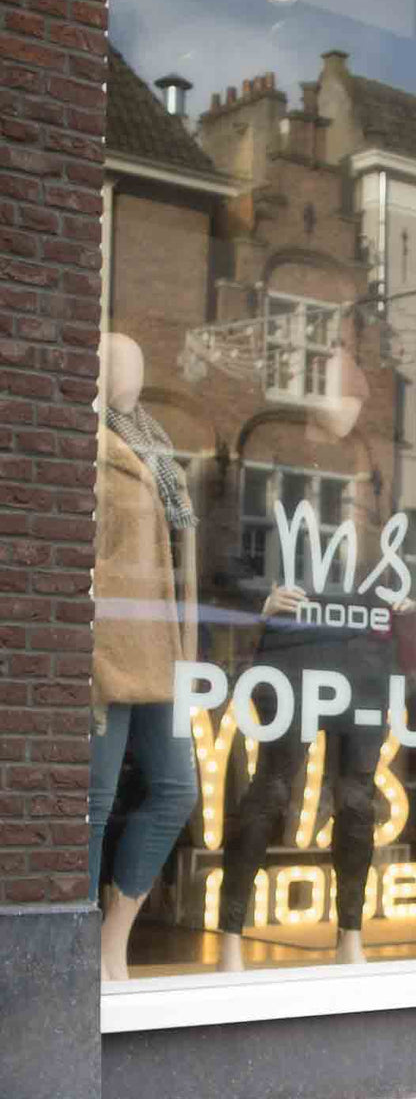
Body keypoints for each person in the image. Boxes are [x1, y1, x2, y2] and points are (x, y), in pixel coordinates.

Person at [91, 333, 200, 980]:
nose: (129, 371)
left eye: (136, 359)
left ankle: (114, 934)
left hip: (161, 649)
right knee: (95, 801)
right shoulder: (87, 443)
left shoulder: (153, 442)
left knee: (177, 790)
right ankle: (81, 944)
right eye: (115, 360)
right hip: (108, 649)